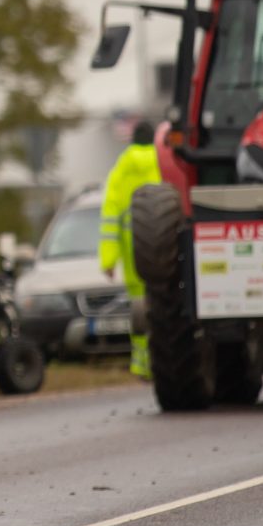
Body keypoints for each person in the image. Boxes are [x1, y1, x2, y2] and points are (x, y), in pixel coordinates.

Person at [99, 120, 162, 380]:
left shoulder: (122, 168)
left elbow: (110, 217)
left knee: (139, 309)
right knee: (164, 304)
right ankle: (162, 361)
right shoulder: (163, 161)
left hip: (133, 252)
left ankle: (142, 364)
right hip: (164, 248)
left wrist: (108, 260)